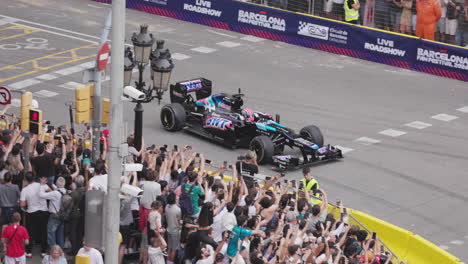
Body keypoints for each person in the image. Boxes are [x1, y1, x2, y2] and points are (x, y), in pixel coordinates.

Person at [20, 172, 49, 258]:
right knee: (44, 231)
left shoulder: (25, 189)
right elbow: (50, 192)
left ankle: (29, 251)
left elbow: (22, 204)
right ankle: (43, 251)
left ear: (26, 179)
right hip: (43, 211)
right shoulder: (41, 185)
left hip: (32, 212)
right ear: (35, 177)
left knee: (30, 232)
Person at [39, 177, 69, 249]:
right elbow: (57, 188)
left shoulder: (55, 193)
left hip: (54, 216)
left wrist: (41, 185)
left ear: (56, 183)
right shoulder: (66, 191)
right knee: (60, 233)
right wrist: (52, 184)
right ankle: (60, 250)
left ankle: (53, 251)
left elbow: (41, 195)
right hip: (62, 215)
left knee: (51, 234)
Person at [164, 192, 181, 264]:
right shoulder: (177, 209)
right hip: (175, 231)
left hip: (168, 229)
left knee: (169, 248)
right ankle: (171, 262)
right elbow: (179, 220)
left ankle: (167, 262)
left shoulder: (166, 207)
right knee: (174, 249)